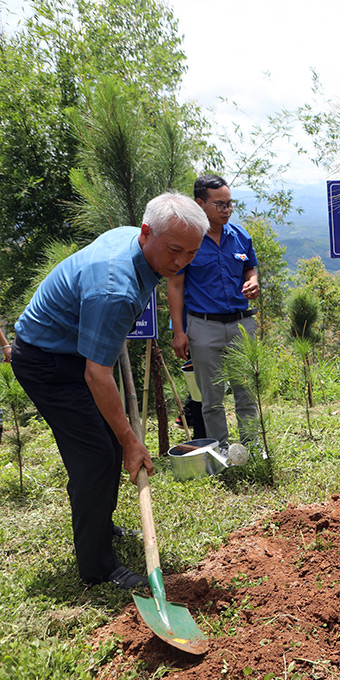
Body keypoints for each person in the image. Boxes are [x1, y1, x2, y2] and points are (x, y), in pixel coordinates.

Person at [11, 192, 207, 589]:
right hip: (45, 361)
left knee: (106, 447)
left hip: (70, 349)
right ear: (147, 233)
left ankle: (101, 523)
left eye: (191, 253)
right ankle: (98, 568)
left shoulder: (133, 237)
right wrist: (131, 439)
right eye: (174, 250)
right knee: (98, 455)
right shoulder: (114, 289)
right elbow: (97, 375)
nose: (181, 262)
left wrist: (124, 438)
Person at [168, 175, 260, 452]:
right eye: (220, 204)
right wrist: (178, 331)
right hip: (203, 327)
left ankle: (251, 447)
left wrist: (253, 281)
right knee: (211, 398)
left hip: (241, 325)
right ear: (200, 203)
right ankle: (221, 451)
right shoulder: (188, 239)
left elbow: (250, 268)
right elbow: (175, 284)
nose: (227, 209)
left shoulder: (240, 236)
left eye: (230, 203)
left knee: (246, 392)